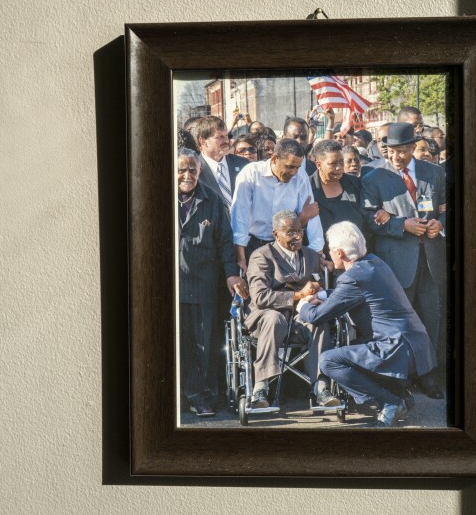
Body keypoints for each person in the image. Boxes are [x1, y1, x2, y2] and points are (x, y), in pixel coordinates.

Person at [296, 222, 436, 427]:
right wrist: (321, 295)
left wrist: (302, 306)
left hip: (395, 349)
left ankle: (389, 403)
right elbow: (347, 294)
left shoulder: (353, 277)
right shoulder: (374, 263)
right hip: (414, 345)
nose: (327, 252)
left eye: (329, 248)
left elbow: (318, 316)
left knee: (329, 361)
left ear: (340, 253)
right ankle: (399, 395)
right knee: (356, 350)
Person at [360, 122, 447, 399]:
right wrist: (401, 225)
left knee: (430, 318)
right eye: (390, 151)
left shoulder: (434, 173)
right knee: (399, 320)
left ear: (412, 147)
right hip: (396, 260)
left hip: (430, 259)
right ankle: (400, 376)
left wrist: (439, 224)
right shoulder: (373, 177)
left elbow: (447, 206)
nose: (395, 156)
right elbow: (369, 218)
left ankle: (428, 375)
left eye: (401, 150)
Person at [176, 148, 248, 417]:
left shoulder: (212, 200)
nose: (187, 175)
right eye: (181, 170)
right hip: (169, 287)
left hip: (202, 284)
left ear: (200, 172)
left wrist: (231, 274)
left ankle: (201, 395)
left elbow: (225, 242)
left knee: (203, 343)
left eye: (192, 170)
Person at [245, 211, 340, 409]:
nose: (297, 236)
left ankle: (321, 387)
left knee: (319, 317)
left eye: (300, 231)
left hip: (299, 319)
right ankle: (260, 389)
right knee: (274, 318)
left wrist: (317, 295)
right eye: (290, 232)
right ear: (275, 234)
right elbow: (260, 297)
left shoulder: (311, 256)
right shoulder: (261, 256)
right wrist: (297, 296)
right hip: (266, 317)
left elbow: (317, 288)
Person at [231, 139, 324, 273]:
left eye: (297, 167)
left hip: (285, 245)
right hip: (253, 244)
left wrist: (318, 253)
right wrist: (241, 258)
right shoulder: (251, 173)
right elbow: (240, 216)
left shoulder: (300, 177)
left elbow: (312, 217)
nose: (294, 172)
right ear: (274, 158)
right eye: (289, 166)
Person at [309, 140, 372, 244]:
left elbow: (368, 213)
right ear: (318, 165)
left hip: (356, 253)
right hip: (323, 257)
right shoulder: (307, 189)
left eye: (341, 162)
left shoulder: (354, 184)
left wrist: (381, 212)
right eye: (332, 164)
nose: (339, 167)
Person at [191, 115, 249, 209]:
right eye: (219, 137)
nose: (226, 140)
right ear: (203, 142)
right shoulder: (193, 171)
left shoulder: (243, 164)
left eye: (226, 136)